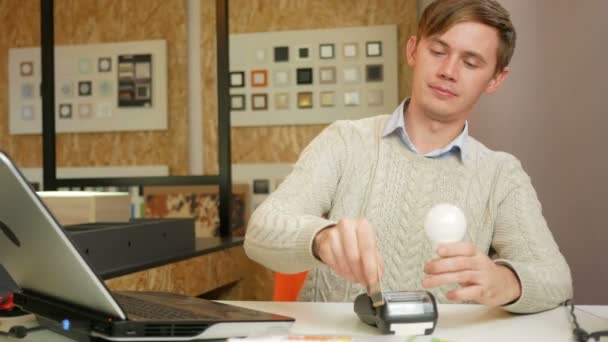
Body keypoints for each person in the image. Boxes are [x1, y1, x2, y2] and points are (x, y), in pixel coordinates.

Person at [244, 0, 573, 314]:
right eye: (438, 51)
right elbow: (261, 232)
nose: (448, 71)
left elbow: (557, 280)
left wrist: (505, 281)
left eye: (470, 63)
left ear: (496, 79)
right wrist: (321, 239)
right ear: (413, 50)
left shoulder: (501, 174)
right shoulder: (344, 141)